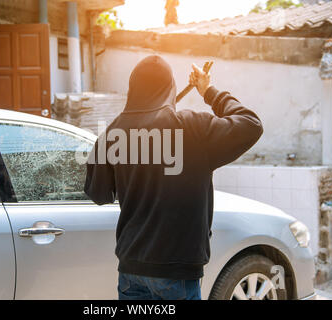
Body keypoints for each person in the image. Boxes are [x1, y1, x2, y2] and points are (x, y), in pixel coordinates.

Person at [84, 55, 263, 300]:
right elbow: (250, 124)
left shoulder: (114, 133)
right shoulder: (191, 128)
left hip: (131, 269)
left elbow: (98, 194)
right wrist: (208, 90)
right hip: (175, 271)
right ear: (170, 90)